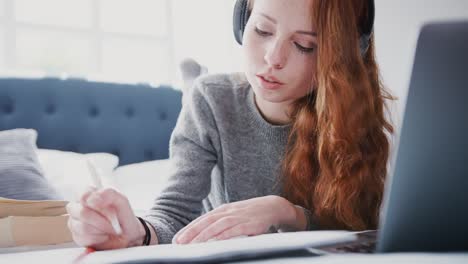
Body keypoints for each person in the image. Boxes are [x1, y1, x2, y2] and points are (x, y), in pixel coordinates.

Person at [66, 0, 393, 250]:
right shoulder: (210, 100)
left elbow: (362, 236)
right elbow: (173, 214)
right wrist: (135, 233)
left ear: (343, 55)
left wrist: (287, 213)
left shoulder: (353, 122)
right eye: (262, 30)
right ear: (242, 22)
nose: (273, 58)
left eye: (305, 45)